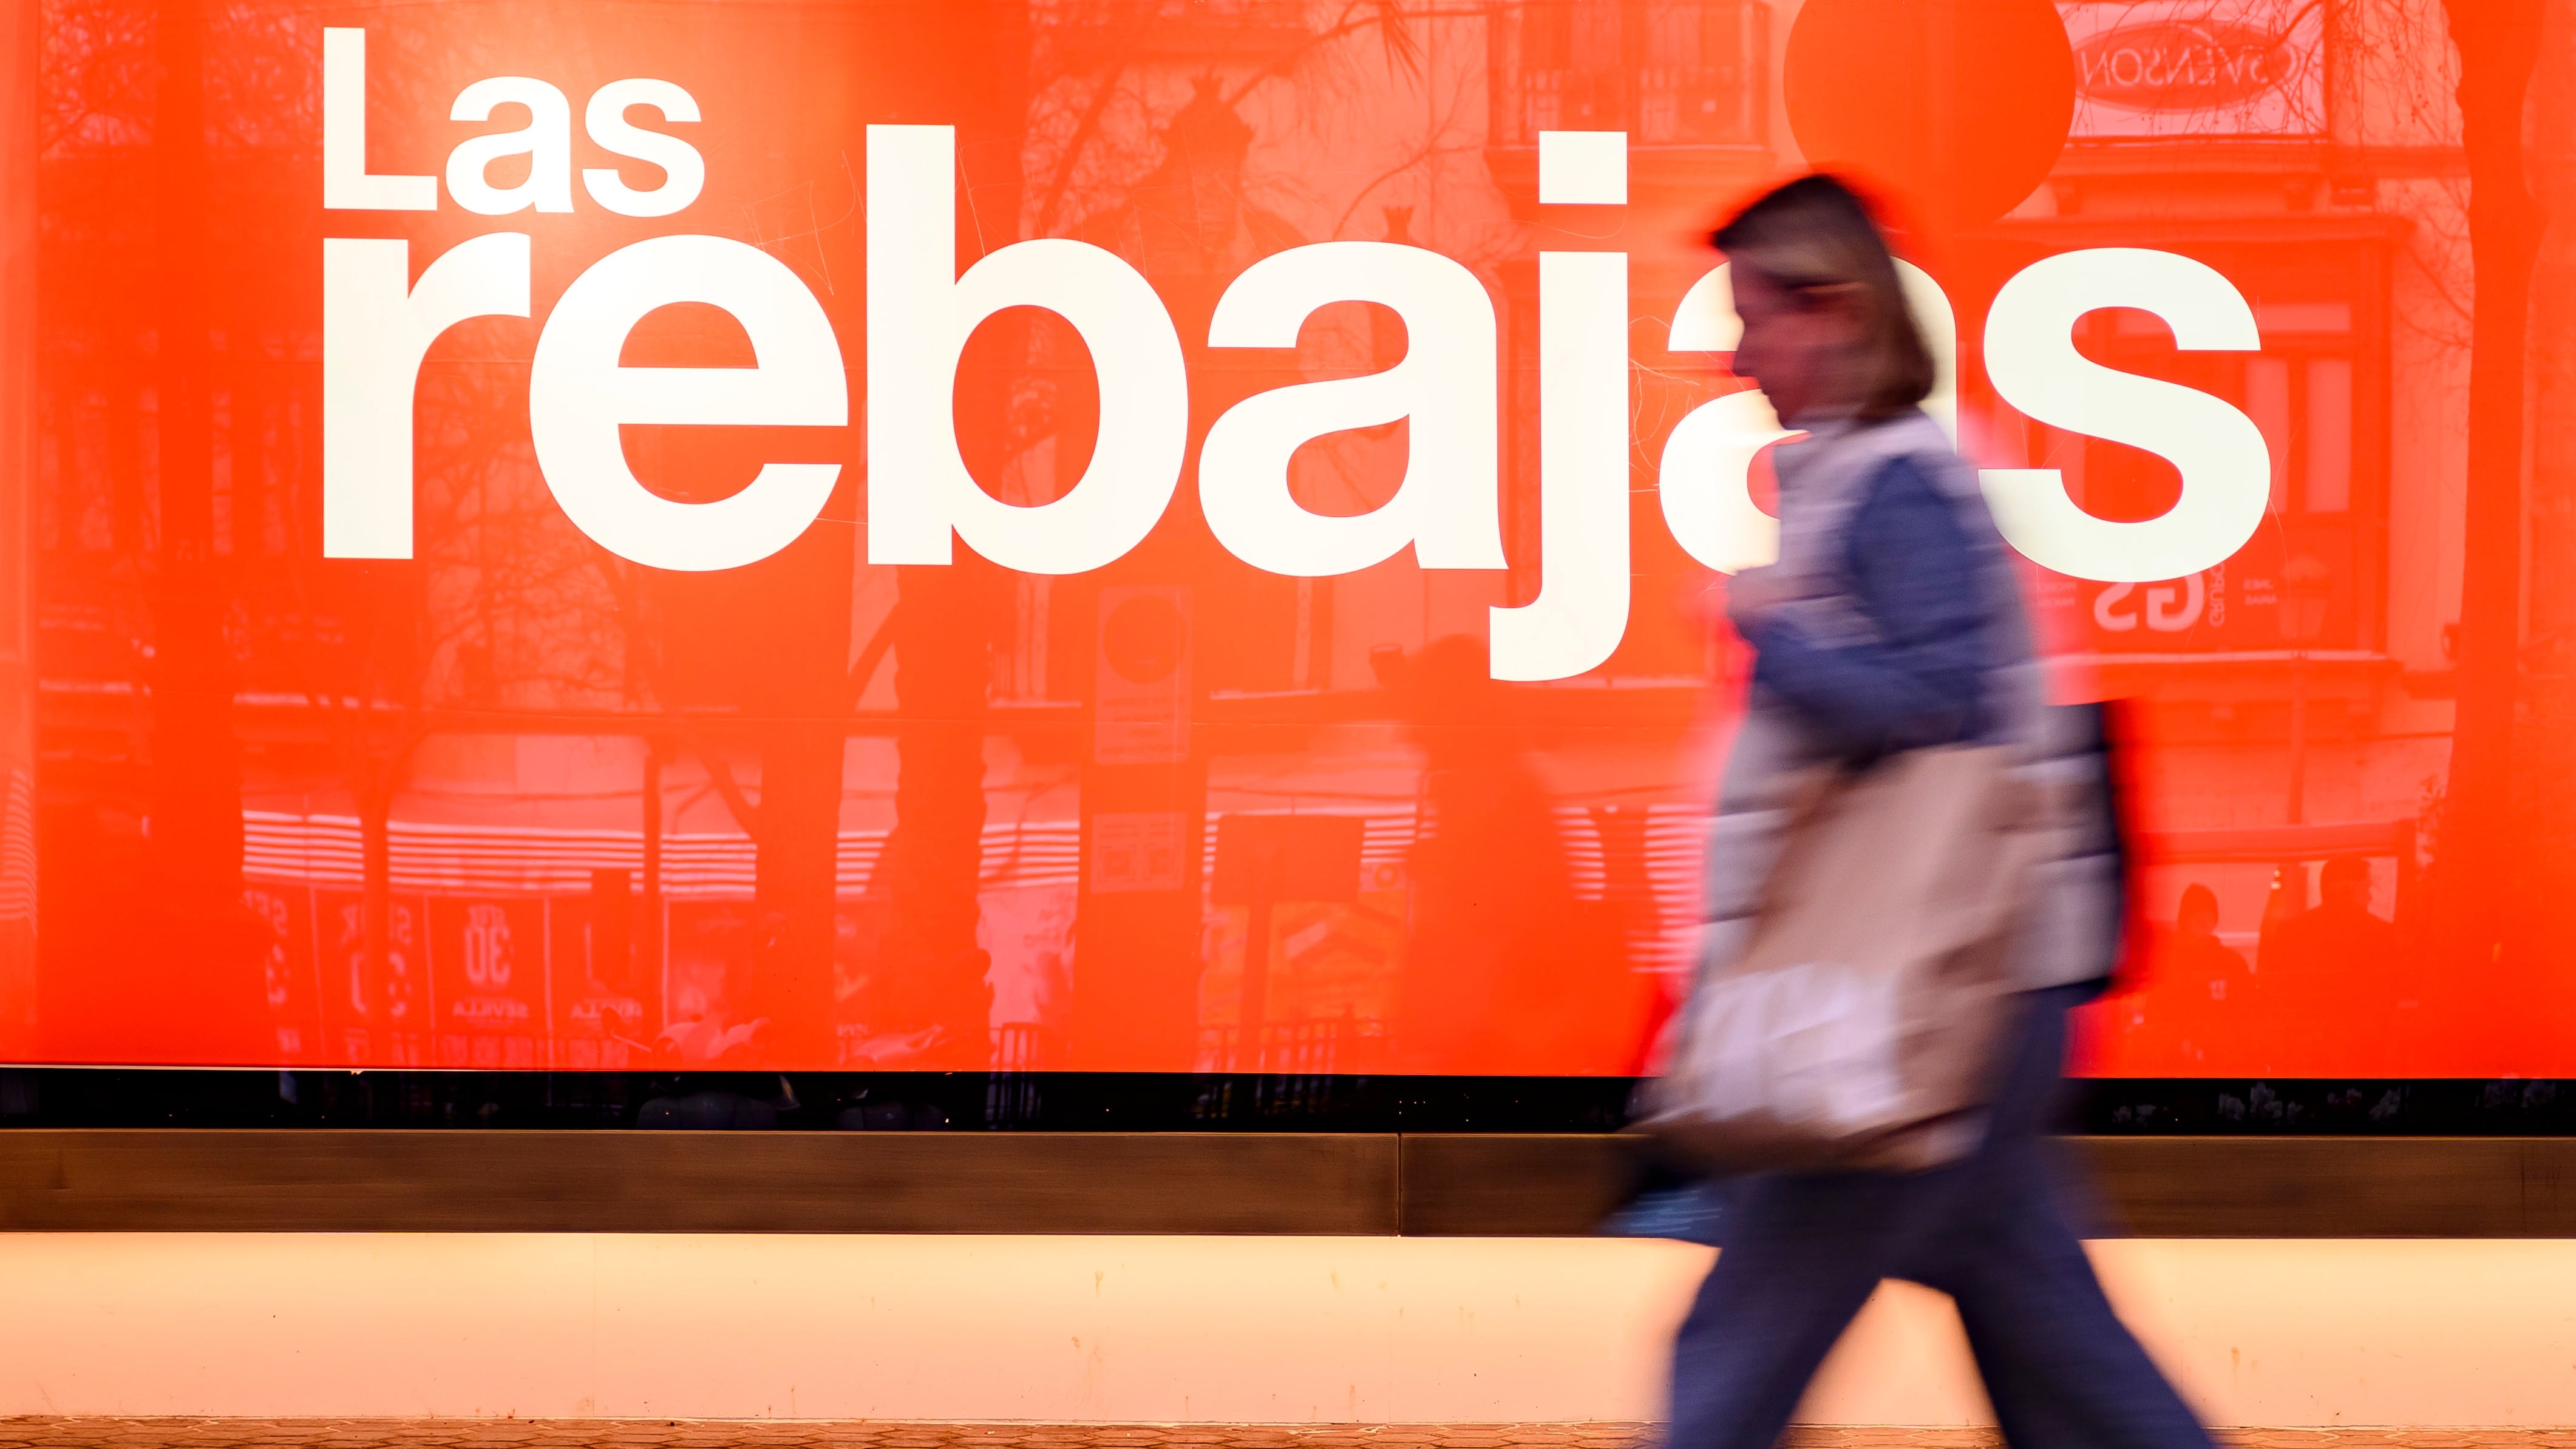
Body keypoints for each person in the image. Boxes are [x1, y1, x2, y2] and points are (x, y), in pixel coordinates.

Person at [1668, 175, 2211, 1449]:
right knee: (2064, 1368)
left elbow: (1940, 705)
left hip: (1919, 1005)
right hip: (1982, 991)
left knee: (1732, 1357)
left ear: (1835, 310)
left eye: (1754, 318)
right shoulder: (1872, 477)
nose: (1735, 355)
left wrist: (1769, 636)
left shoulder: (1895, 484)